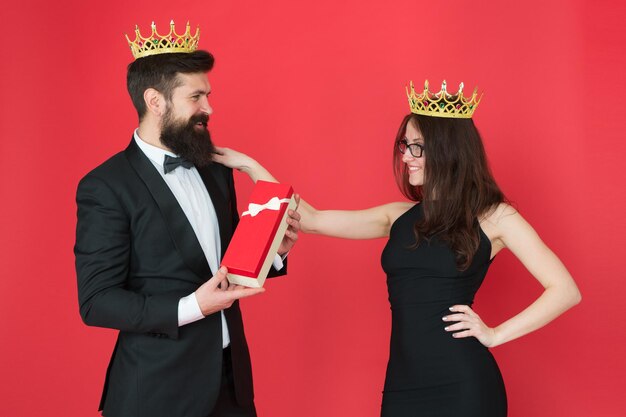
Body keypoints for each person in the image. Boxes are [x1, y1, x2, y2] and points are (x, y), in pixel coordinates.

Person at [214, 80, 581, 417]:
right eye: (405, 145)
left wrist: (496, 334)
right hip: (403, 384)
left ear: (448, 150)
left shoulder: (495, 217)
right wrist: (249, 165)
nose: (406, 156)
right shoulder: (397, 216)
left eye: (417, 147)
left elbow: (565, 290)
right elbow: (308, 218)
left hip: (463, 384)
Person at [74, 21, 301, 417]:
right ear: (155, 100)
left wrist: (273, 253)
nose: (209, 108)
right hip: (157, 394)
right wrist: (194, 305)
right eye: (196, 96)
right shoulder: (105, 186)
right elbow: (97, 302)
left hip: (232, 385)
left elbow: (226, 262)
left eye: (208, 95)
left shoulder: (213, 167)